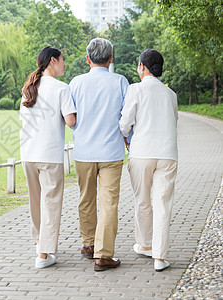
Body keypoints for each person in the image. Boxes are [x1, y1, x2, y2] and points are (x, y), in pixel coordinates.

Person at [69, 38, 129, 271]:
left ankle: (88, 244)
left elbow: (70, 117)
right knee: (109, 203)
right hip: (111, 152)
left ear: (87, 59)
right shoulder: (120, 82)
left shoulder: (75, 82)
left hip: (83, 151)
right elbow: (127, 118)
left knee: (86, 198)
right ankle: (103, 254)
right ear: (110, 58)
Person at [119, 49, 178, 272]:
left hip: (142, 152)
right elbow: (175, 122)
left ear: (142, 66)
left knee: (143, 200)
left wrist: (125, 136)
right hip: (168, 154)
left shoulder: (135, 89)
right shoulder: (171, 94)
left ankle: (145, 244)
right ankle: (160, 258)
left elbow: (125, 124)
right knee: (163, 205)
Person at [20, 46, 76, 269]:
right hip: (50, 154)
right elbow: (70, 121)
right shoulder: (62, 88)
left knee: (36, 201)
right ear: (53, 60)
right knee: (51, 203)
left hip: (28, 153)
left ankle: (38, 242)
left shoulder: (29, 88)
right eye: (63, 60)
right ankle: (43, 255)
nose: (64, 64)